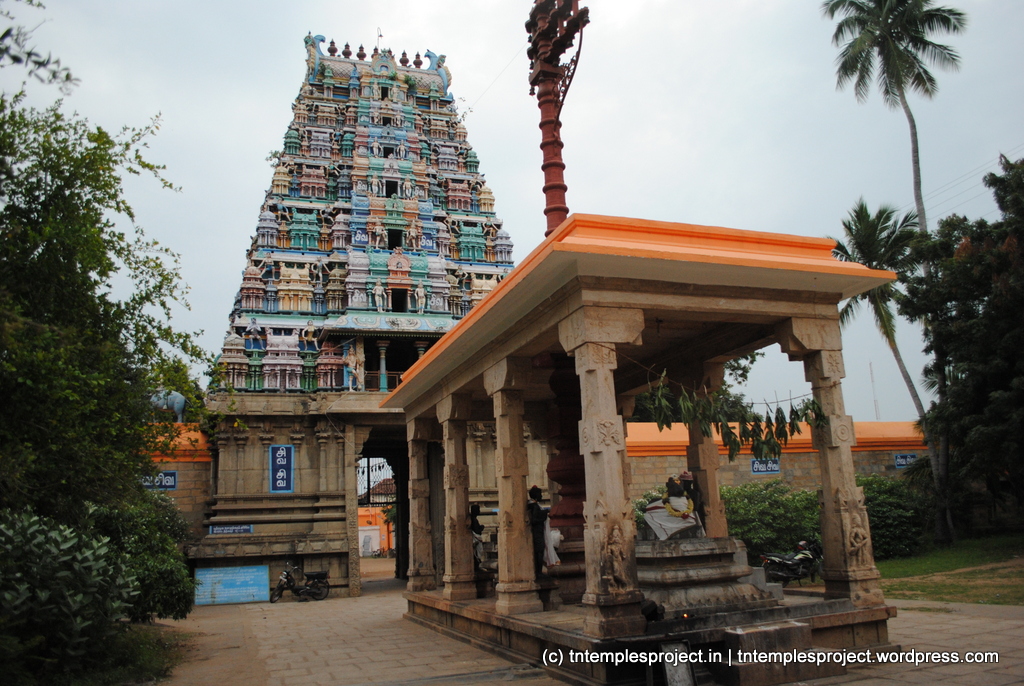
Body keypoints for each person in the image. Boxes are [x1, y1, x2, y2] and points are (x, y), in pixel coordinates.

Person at [644, 472, 705, 540]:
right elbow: (664, 503)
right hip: (676, 515)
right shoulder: (668, 496)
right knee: (648, 515)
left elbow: (695, 508)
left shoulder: (693, 494)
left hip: (690, 516)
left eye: (688, 482)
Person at [527, 485, 548, 579]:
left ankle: (538, 571)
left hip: (537, 531)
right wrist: (543, 516)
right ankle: (538, 572)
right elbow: (534, 520)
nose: (541, 496)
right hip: (537, 532)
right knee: (539, 551)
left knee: (539, 551)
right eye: (540, 494)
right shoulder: (535, 506)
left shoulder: (532, 505)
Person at [469, 503, 485, 569]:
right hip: (476, 538)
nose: (479, 511)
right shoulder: (474, 520)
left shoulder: (472, 518)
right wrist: (481, 527)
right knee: (478, 553)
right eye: (478, 510)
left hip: (475, 537)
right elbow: (477, 530)